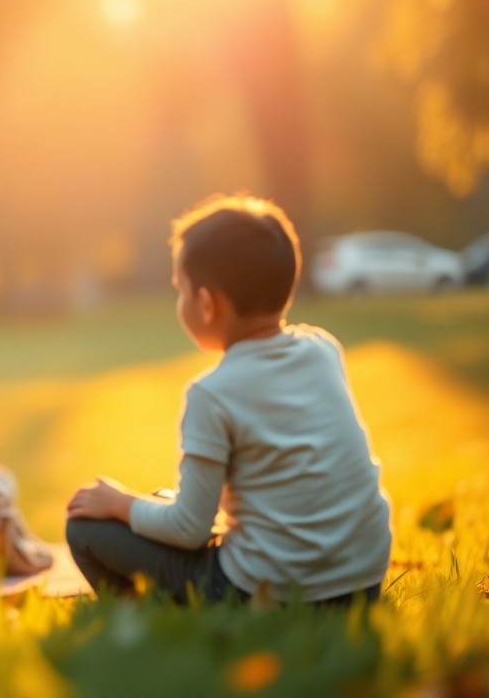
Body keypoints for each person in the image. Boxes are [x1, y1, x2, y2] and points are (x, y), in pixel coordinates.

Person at [65, 195, 392, 606]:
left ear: (207, 304)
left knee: (87, 528)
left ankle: (147, 612)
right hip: (361, 579)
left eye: (179, 290)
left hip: (266, 590)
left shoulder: (211, 394)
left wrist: (117, 503)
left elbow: (190, 529)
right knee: (159, 501)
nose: (178, 301)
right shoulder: (322, 349)